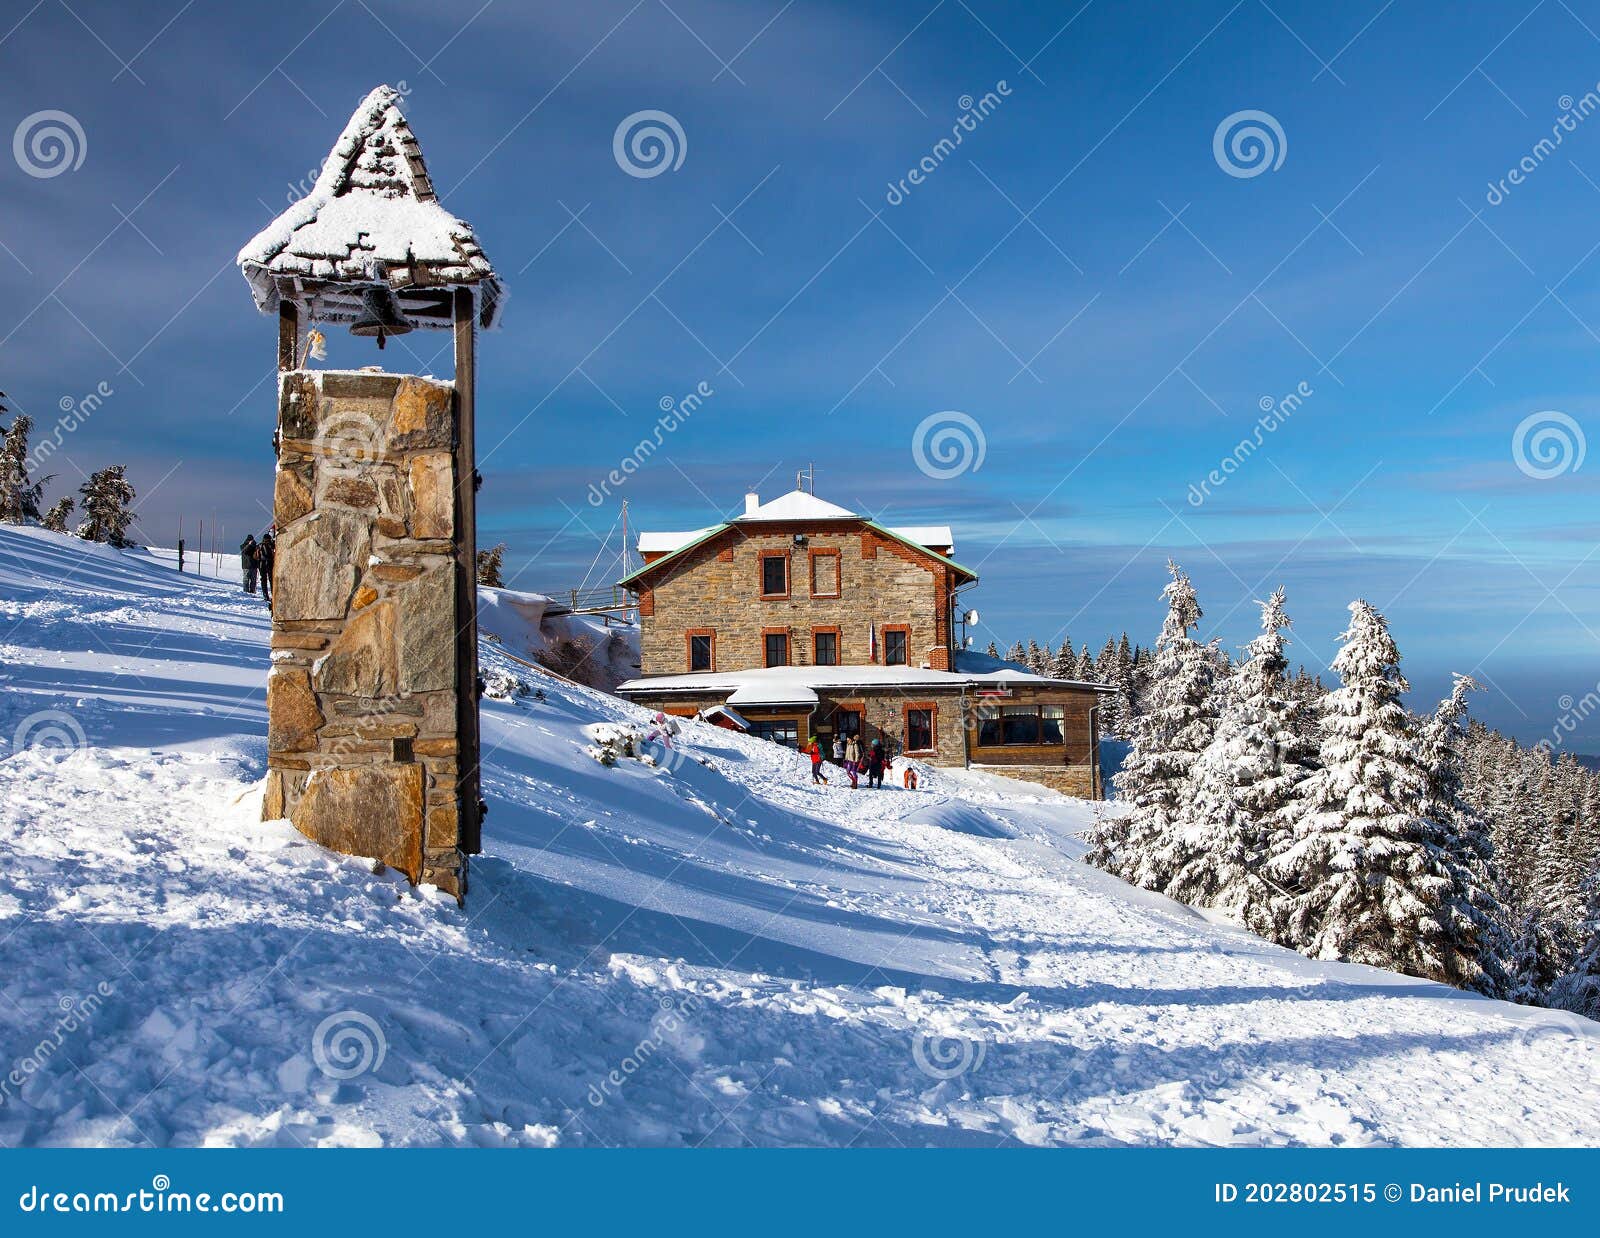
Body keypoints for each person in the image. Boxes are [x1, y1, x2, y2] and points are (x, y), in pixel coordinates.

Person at [256, 528, 276, 605]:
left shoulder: (259, 545)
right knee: (271, 579)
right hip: (269, 563)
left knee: (263, 580)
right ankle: (273, 594)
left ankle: (265, 595)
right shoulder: (271, 545)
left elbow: (256, 556)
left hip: (261, 564)